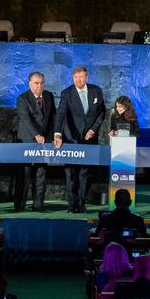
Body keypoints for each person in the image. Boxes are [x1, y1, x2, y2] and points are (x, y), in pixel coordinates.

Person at [55, 66, 106, 213]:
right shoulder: (66, 93)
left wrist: (93, 130)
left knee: (85, 173)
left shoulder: (96, 91)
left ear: (86, 77)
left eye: (81, 77)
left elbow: (101, 113)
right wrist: (57, 134)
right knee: (71, 174)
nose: (78, 80)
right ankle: (72, 205)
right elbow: (60, 114)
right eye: (75, 77)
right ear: (73, 78)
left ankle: (82, 203)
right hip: (71, 139)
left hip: (89, 140)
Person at [13, 72, 56, 212]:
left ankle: (38, 205)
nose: (39, 86)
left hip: (44, 142)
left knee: (41, 174)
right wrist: (36, 134)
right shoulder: (22, 98)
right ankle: (19, 205)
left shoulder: (49, 96)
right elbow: (25, 118)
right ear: (30, 83)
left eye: (42, 83)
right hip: (26, 141)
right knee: (24, 175)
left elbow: (53, 117)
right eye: (36, 83)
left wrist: (55, 135)